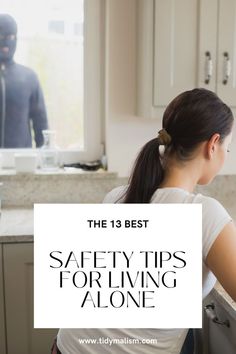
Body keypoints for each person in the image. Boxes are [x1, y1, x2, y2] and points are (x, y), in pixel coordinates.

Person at [55, 88, 236, 354]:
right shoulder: (203, 214)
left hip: (67, 347)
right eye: (228, 149)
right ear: (213, 144)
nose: (226, 156)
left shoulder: (117, 197)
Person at [0, 14, 48, 148]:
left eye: (10, 37)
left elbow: (41, 125)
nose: (5, 42)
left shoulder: (28, 78)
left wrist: (42, 160)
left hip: (21, 162)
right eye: (0, 36)